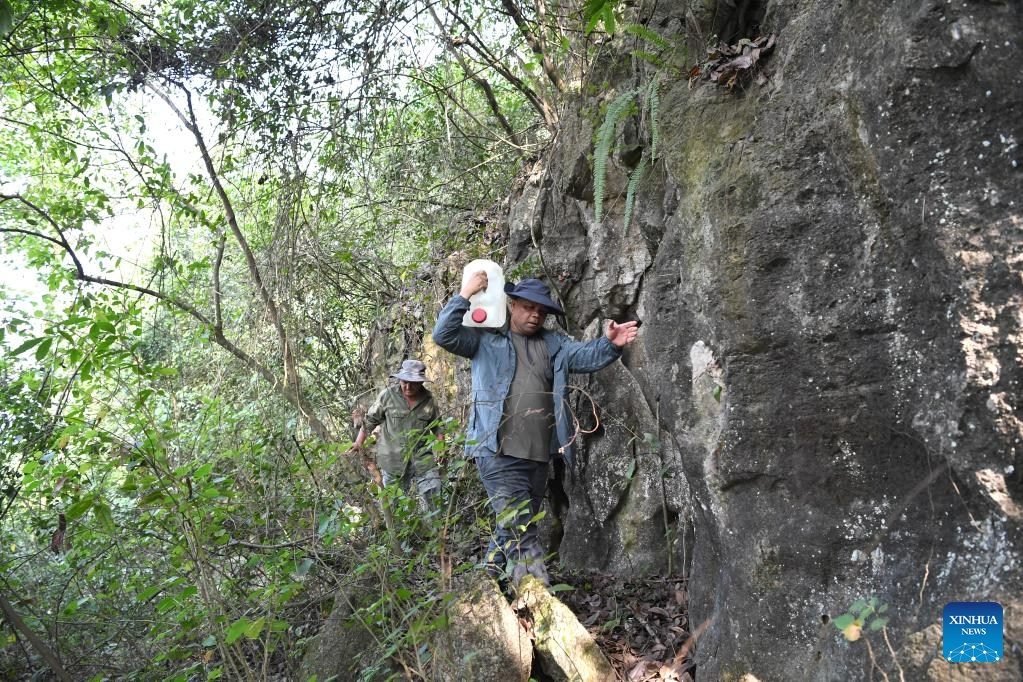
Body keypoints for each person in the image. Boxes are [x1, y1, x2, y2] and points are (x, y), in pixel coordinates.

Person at [432, 273, 639, 585]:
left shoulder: (552, 343)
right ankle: (538, 598)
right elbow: (443, 335)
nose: (535, 315)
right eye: (528, 307)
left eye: (541, 311)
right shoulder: (485, 339)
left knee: (510, 526)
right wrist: (464, 295)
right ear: (512, 305)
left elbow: (584, 356)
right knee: (521, 528)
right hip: (497, 451)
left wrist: (610, 344)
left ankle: (487, 586)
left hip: (538, 456)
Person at [349, 359, 443, 510]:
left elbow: (438, 427)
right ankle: (397, 525)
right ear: (399, 379)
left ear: (421, 382)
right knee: (393, 505)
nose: (408, 387)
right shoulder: (387, 396)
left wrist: (442, 448)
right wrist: (358, 443)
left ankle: (435, 525)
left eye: (413, 383)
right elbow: (369, 422)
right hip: (392, 460)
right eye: (404, 382)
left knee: (434, 494)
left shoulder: (429, 400)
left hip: (422, 458)